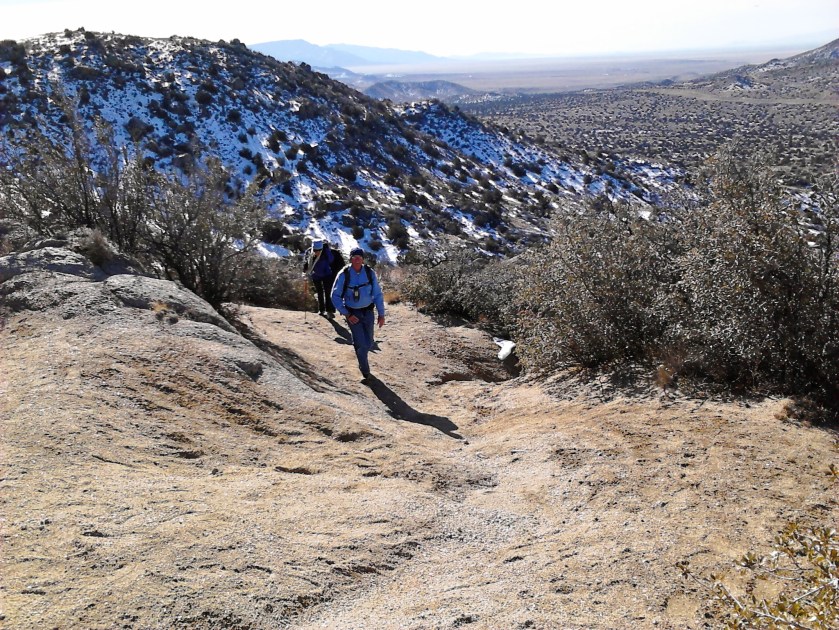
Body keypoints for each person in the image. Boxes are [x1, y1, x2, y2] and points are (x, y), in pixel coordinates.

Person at [331, 247, 385, 380]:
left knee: (369, 343)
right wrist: (347, 314)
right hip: (352, 314)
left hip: (368, 312)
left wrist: (381, 314)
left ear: (362, 259)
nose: (357, 260)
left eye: (359, 257)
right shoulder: (344, 274)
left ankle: (360, 350)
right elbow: (335, 296)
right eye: (354, 257)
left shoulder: (369, 272)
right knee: (361, 344)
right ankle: (365, 370)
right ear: (350, 258)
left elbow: (377, 294)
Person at [302, 239, 336, 316]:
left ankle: (329, 311)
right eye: (315, 250)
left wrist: (327, 251)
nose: (316, 252)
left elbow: (331, 260)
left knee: (327, 292)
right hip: (315, 275)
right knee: (320, 292)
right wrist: (305, 272)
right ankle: (321, 310)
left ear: (321, 249)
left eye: (318, 250)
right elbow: (305, 263)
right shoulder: (309, 252)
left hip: (327, 275)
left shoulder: (325, 252)